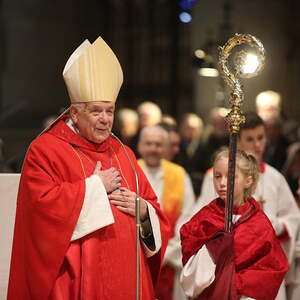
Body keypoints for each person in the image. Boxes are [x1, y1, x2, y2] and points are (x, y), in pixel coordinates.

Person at [7, 36, 170, 300]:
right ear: (74, 113)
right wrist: (94, 188)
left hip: (128, 279)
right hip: (76, 281)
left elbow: (153, 210)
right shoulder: (45, 150)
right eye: (96, 111)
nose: (105, 120)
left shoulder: (124, 154)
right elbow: (39, 212)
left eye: (110, 111)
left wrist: (143, 211)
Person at [193, 112, 300, 300]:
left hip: (266, 268)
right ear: (238, 141)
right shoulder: (218, 177)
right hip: (230, 268)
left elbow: (292, 218)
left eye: (261, 138)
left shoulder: (275, 178)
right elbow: (200, 221)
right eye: (250, 139)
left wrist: (276, 225)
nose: (257, 145)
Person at [180, 149, 289, 300]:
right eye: (217, 176)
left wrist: (235, 284)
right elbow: (190, 264)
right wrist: (215, 247)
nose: (222, 183)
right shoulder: (205, 218)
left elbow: (270, 269)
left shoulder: (260, 224)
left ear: (248, 181)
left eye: (231, 176)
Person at [137, 125, 195, 300]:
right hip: (137, 258)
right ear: (140, 146)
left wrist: (167, 253)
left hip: (171, 258)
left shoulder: (179, 174)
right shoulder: (130, 171)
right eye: (148, 144)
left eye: (158, 144)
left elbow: (188, 215)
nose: (153, 148)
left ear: (166, 147)